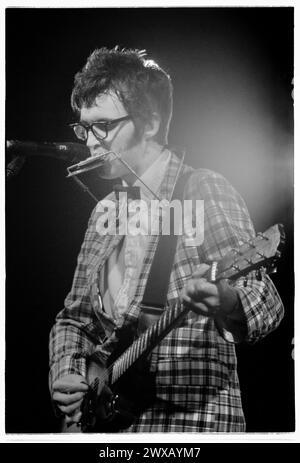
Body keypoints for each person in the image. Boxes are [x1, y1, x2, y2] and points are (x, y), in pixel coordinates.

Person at [49, 46, 284, 432]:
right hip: (112, 428)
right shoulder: (104, 213)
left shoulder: (203, 189)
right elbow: (74, 319)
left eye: (103, 126)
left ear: (151, 122)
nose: (91, 142)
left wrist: (227, 299)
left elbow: (266, 300)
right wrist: (69, 372)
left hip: (191, 425)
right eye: (83, 128)